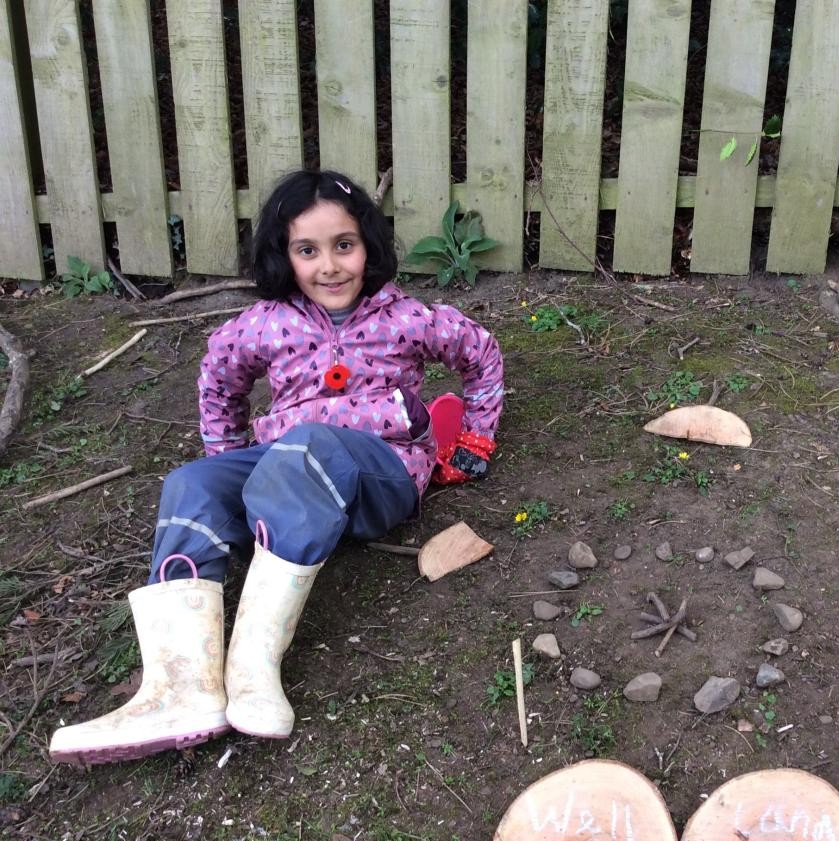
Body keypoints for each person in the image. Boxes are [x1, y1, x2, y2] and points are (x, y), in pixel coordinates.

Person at [49, 170, 504, 766]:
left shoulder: (407, 318)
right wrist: (229, 460)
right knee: (192, 484)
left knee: (312, 444)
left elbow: (481, 353)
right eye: (307, 250)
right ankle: (180, 689)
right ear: (283, 255)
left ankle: (253, 667)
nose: (330, 266)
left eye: (344, 245)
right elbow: (218, 380)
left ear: (369, 244)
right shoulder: (266, 324)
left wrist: (474, 436)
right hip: (286, 465)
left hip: (381, 473)